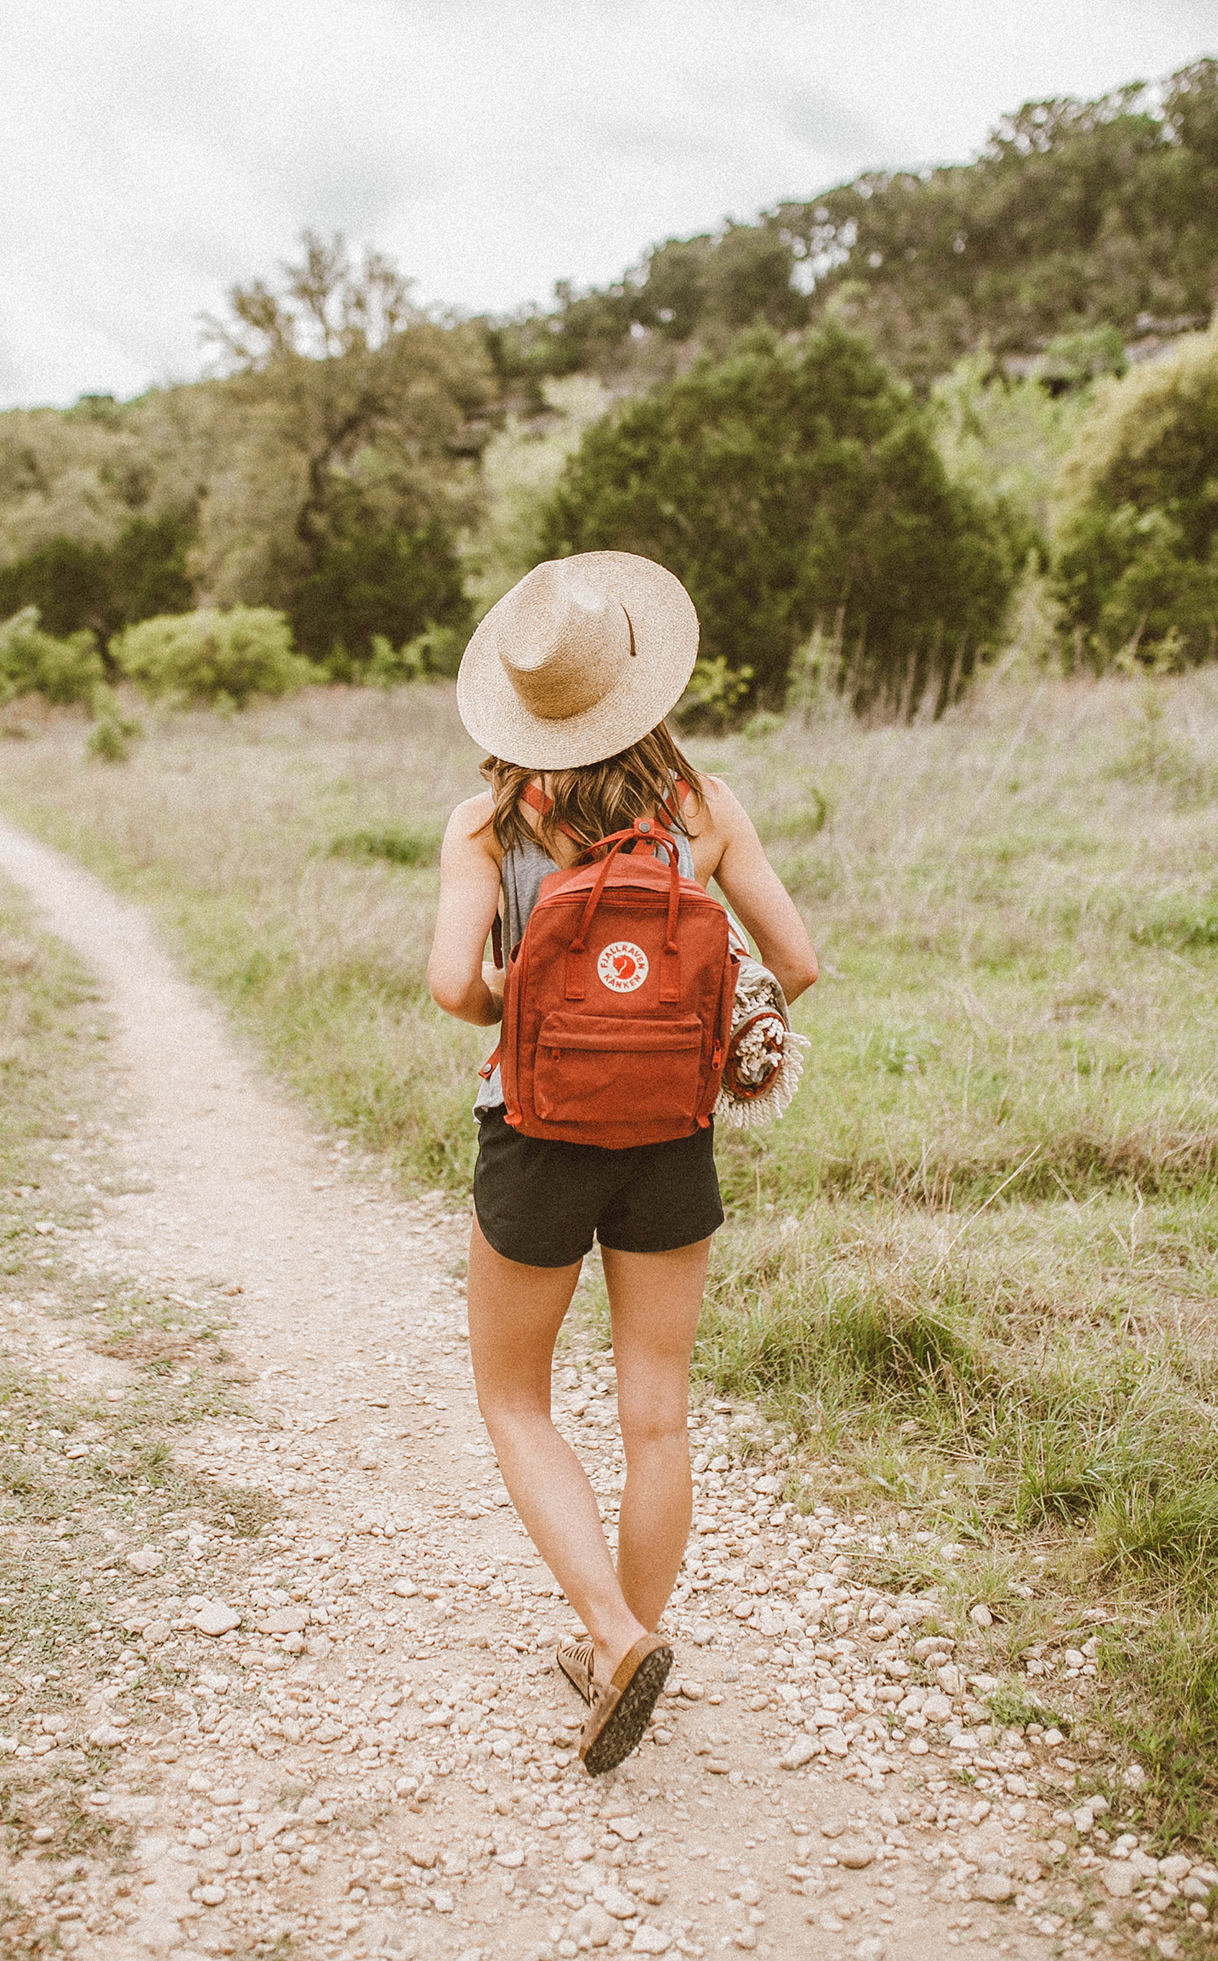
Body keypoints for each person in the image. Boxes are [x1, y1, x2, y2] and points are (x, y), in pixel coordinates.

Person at [429, 552, 817, 1773]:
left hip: (539, 1136)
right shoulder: (704, 807)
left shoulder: (489, 820)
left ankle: (610, 1633)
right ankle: (628, 1640)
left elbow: (455, 988)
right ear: (640, 677)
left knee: (515, 1398)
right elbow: (796, 963)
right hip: (672, 1140)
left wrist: (533, 991)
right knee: (657, 1417)